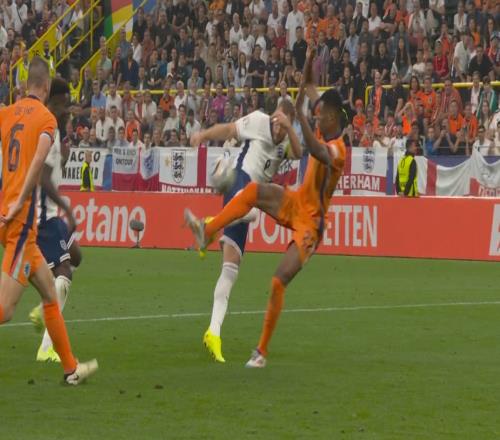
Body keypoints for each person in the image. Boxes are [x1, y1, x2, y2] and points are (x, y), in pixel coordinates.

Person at [185, 47, 347, 367]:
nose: (317, 115)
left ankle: (261, 352)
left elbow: (313, 150)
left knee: (277, 280)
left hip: (311, 223)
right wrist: (308, 61)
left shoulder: (338, 150)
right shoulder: (309, 118)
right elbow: (309, 87)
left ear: (331, 118)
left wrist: (299, 120)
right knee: (252, 192)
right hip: (296, 201)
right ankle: (207, 229)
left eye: (320, 115)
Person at [0, 57, 97, 384]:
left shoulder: (7, 113)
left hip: (14, 220)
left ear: (27, 83)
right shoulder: (45, 119)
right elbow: (38, 163)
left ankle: (71, 369)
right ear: (45, 86)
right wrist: (18, 202)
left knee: (50, 297)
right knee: (5, 310)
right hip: (21, 222)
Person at [189, 99, 302, 363]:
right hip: (239, 182)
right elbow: (229, 130)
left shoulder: (286, 142)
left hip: (254, 196)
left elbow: (298, 154)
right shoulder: (259, 120)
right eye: (276, 121)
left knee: (230, 269)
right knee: (250, 211)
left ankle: (213, 332)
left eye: (282, 124)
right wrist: (202, 136)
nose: (276, 127)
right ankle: (208, 226)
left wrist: (290, 128)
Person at [27, 78, 83, 362]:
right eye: (65, 104)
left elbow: (50, 169)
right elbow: (44, 179)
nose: (68, 110)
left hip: (47, 212)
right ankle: (47, 346)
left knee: (76, 256)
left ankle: (44, 308)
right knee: (64, 271)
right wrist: (68, 210)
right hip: (43, 214)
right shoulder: (48, 127)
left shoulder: (53, 129)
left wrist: (63, 159)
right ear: (54, 101)